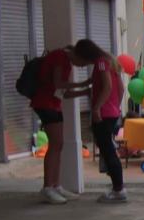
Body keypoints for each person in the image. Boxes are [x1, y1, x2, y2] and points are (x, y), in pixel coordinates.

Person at [69, 39, 127, 203]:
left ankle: (118, 188)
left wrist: (97, 108)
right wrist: (115, 106)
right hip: (112, 112)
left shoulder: (101, 63)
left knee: (107, 150)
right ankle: (118, 187)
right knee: (108, 149)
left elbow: (107, 87)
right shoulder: (110, 61)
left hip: (103, 113)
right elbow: (120, 88)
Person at [28, 40, 76, 202]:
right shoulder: (60, 57)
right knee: (55, 145)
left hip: (54, 104)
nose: (81, 66)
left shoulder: (64, 60)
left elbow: (63, 92)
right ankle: (48, 187)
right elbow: (58, 84)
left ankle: (55, 185)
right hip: (46, 103)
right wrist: (83, 84)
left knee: (58, 144)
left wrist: (84, 90)